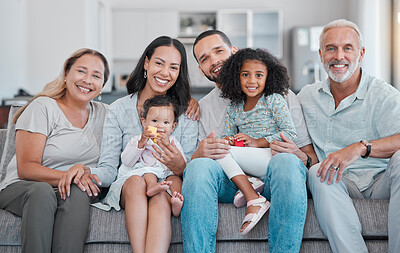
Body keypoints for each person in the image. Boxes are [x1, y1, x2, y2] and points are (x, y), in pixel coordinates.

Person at [181, 30, 318, 252]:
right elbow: (187, 166)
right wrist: (200, 153)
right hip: (229, 183)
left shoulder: (280, 96)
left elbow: (309, 155)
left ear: (234, 52)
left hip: (276, 177)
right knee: (198, 165)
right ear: (201, 69)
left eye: (219, 51)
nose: (214, 60)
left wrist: (298, 155)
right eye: (205, 58)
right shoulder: (202, 108)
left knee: (287, 161)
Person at [297, 19, 400, 253]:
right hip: (338, 183)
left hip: (380, 180)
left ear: (361, 53)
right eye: (331, 48)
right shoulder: (306, 97)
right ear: (321, 53)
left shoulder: (383, 95)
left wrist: (361, 147)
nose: (338, 56)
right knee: (319, 171)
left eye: (347, 48)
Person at [91, 36, 198, 253]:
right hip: (130, 184)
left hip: (165, 181)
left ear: (179, 73)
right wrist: (88, 173)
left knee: (160, 195)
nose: (165, 72)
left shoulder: (186, 113)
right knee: (136, 182)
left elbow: (190, 169)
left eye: (173, 67)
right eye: (159, 63)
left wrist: (181, 165)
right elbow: (110, 166)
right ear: (146, 64)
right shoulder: (119, 109)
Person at [0, 48, 110, 253]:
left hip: (71, 189)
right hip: (25, 186)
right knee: (42, 192)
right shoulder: (43, 107)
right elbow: (26, 168)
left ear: (102, 85)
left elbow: (143, 111)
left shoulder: (106, 114)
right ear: (67, 73)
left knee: (79, 191)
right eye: (81, 71)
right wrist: (71, 175)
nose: (87, 80)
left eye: (96, 76)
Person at [216, 48, 297, 234]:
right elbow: (226, 137)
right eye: (245, 75)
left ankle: (253, 198)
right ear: (236, 77)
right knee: (220, 148)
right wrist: (228, 140)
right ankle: (250, 183)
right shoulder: (234, 107)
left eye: (259, 75)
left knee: (220, 152)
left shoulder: (273, 100)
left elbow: (290, 134)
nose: (252, 81)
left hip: (272, 158)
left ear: (269, 77)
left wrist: (257, 141)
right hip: (250, 160)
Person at [94, 94, 185, 217]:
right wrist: (141, 144)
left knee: (175, 180)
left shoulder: (173, 142)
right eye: (154, 121)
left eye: (166, 122)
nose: (159, 126)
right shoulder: (137, 140)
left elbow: (182, 162)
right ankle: (152, 186)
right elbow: (127, 161)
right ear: (144, 122)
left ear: (173, 126)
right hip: (143, 177)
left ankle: (175, 201)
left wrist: (170, 150)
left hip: (165, 177)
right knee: (149, 173)